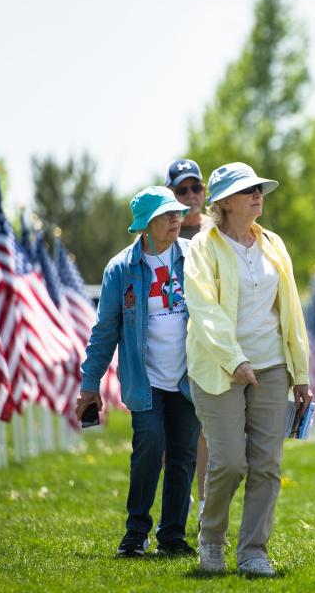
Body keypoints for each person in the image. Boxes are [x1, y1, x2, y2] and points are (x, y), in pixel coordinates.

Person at [184, 162, 313, 577]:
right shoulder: (203, 247)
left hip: (272, 365)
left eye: (259, 188)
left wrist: (301, 373)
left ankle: (254, 551)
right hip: (218, 367)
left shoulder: (273, 243)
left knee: (268, 465)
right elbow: (203, 310)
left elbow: (291, 311)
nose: (257, 195)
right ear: (223, 202)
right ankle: (211, 539)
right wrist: (234, 359)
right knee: (229, 463)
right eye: (247, 191)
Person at [75, 186, 201, 558]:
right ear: (146, 225)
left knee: (183, 455)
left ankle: (173, 536)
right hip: (144, 381)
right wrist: (89, 383)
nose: (176, 219)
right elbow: (105, 331)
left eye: (178, 213)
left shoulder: (194, 257)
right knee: (149, 445)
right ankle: (136, 532)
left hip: (188, 378)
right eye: (167, 215)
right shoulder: (121, 269)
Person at [166, 158, 213, 517]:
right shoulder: (162, 235)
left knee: (208, 429)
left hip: (211, 338)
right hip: (173, 341)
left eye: (196, 187)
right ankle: (177, 507)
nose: (191, 195)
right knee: (175, 432)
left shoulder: (217, 230)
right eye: (182, 189)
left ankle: (205, 508)